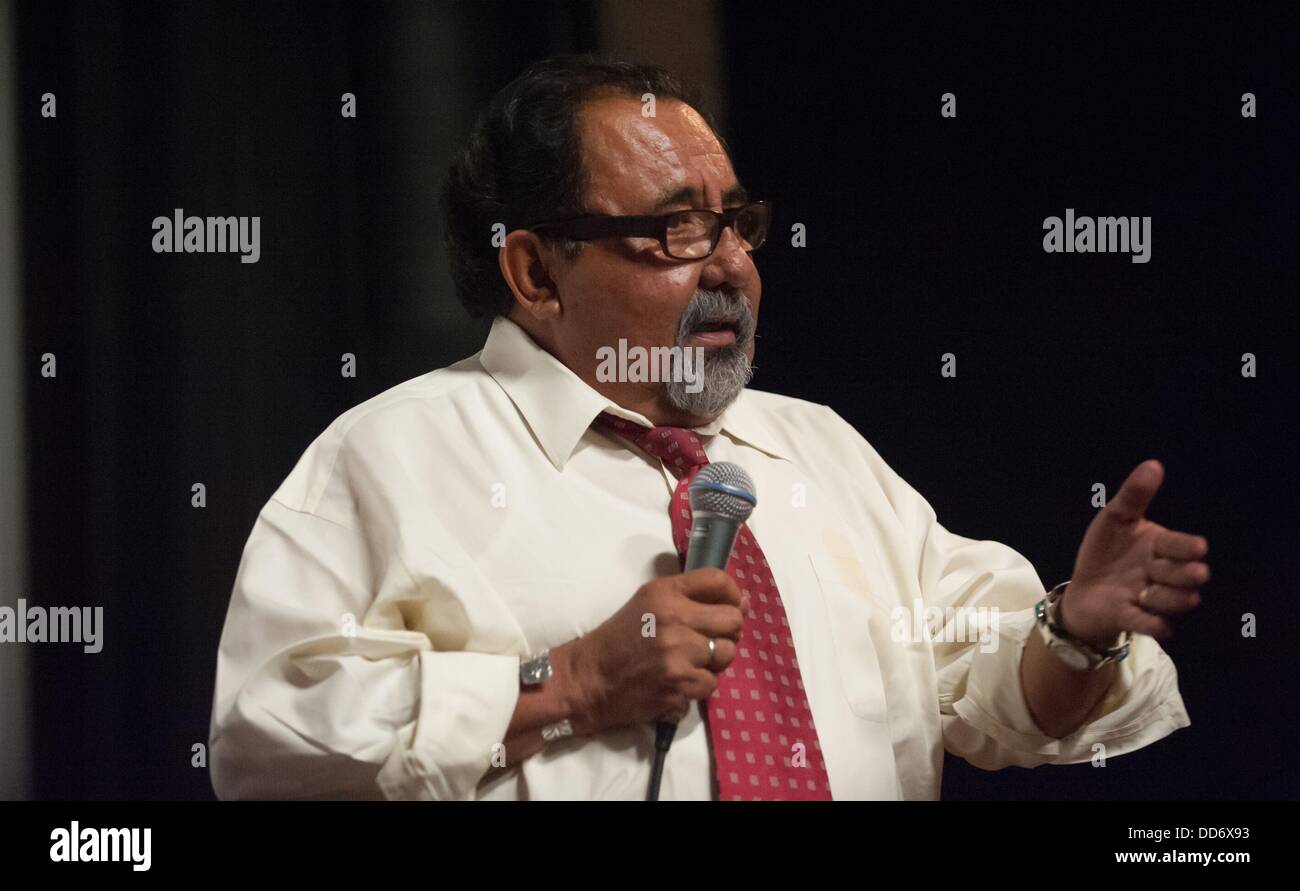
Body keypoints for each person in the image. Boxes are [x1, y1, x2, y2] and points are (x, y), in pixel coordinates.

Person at [208, 54, 1208, 800]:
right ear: (536, 271)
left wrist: (1074, 632)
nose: (731, 264)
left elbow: (1007, 700)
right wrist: (573, 682)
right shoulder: (391, 459)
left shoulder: (821, 453)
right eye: (674, 228)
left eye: (735, 222)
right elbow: (268, 745)